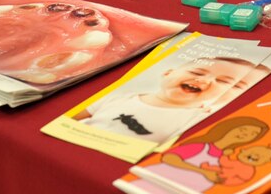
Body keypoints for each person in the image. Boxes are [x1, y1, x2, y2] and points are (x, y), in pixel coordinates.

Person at [73, 57, 258, 143]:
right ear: (168, 72)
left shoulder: (196, 118)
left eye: (223, 82)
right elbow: (70, 119)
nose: (204, 80)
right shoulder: (121, 96)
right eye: (197, 72)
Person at [200, 144, 271, 185]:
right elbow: (225, 163)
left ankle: (207, 168)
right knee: (217, 168)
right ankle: (207, 168)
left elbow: (225, 163)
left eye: (261, 157)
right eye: (251, 153)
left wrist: (225, 155)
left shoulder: (246, 167)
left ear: (267, 161)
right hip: (227, 174)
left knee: (218, 169)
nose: (255, 156)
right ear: (243, 151)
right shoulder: (240, 164)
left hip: (230, 178)